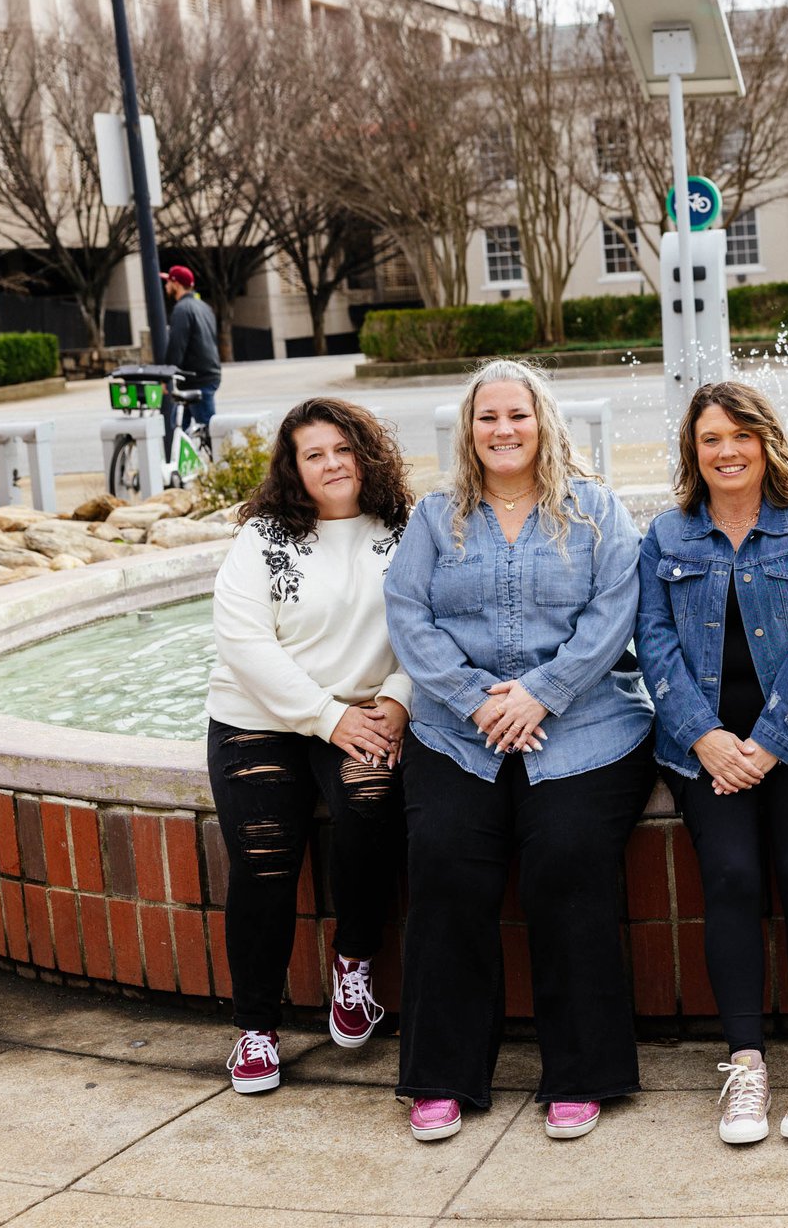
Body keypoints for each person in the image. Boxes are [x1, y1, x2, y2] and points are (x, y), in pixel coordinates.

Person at [385, 360, 653, 1144]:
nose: (503, 430)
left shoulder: (596, 510)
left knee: (566, 858)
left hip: (585, 728)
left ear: (545, 423)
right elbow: (407, 613)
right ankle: (442, 1076)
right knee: (442, 858)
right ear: (469, 430)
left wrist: (544, 692)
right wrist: (475, 699)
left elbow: (615, 612)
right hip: (456, 730)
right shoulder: (435, 517)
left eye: (518, 415)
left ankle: (581, 1073)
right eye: (488, 417)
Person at [637, 382, 788, 1146]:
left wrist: (768, 744)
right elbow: (652, 643)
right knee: (731, 875)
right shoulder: (667, 536)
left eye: (742, 435)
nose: (727, 451)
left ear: (766, 442)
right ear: (693, 452)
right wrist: (702, 736)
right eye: (711, 439)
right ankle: (745, 1064)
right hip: (705, 750)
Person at [206, 397, 415, 1095]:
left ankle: (354, 964)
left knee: (371, 799)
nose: (332, 464)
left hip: (364, 710)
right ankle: (256, 1028)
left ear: (367, 452)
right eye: (314, 454)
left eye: (343, 449)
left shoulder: (406, 530)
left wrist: (398, 698)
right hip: (260, 717)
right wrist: (326, 718)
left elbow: (436, 625)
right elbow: (244, 645)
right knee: (264, 855)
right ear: (293, 469)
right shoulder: (262, 537)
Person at [161, 264, 220, 429]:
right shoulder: (204, 307)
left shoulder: (182, 309)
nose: (166, 286)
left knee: (207, 429)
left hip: (196, 379)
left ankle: (212, 447)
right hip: (205, 375)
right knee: (179, 425)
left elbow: (177, 345)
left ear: (176, 284)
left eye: (168, 282)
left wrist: (166, 377)